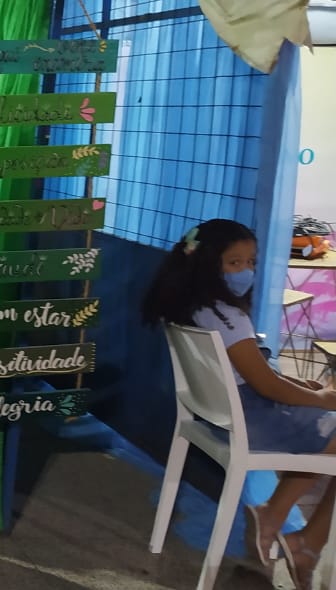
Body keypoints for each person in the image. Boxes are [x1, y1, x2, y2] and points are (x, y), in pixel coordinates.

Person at [141, 218, 336, 589]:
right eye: (235, 262)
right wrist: (320, 397)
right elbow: (265, 385)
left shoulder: (193, 308)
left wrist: (301, 388)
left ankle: (285, 527)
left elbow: (250, 374)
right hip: (251, 418)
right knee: (328, 429)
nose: (246, 271)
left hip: (222, 414)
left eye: (251, 262)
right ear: (207, 263)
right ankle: (302, 540)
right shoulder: (228, 318)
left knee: (323, 431)